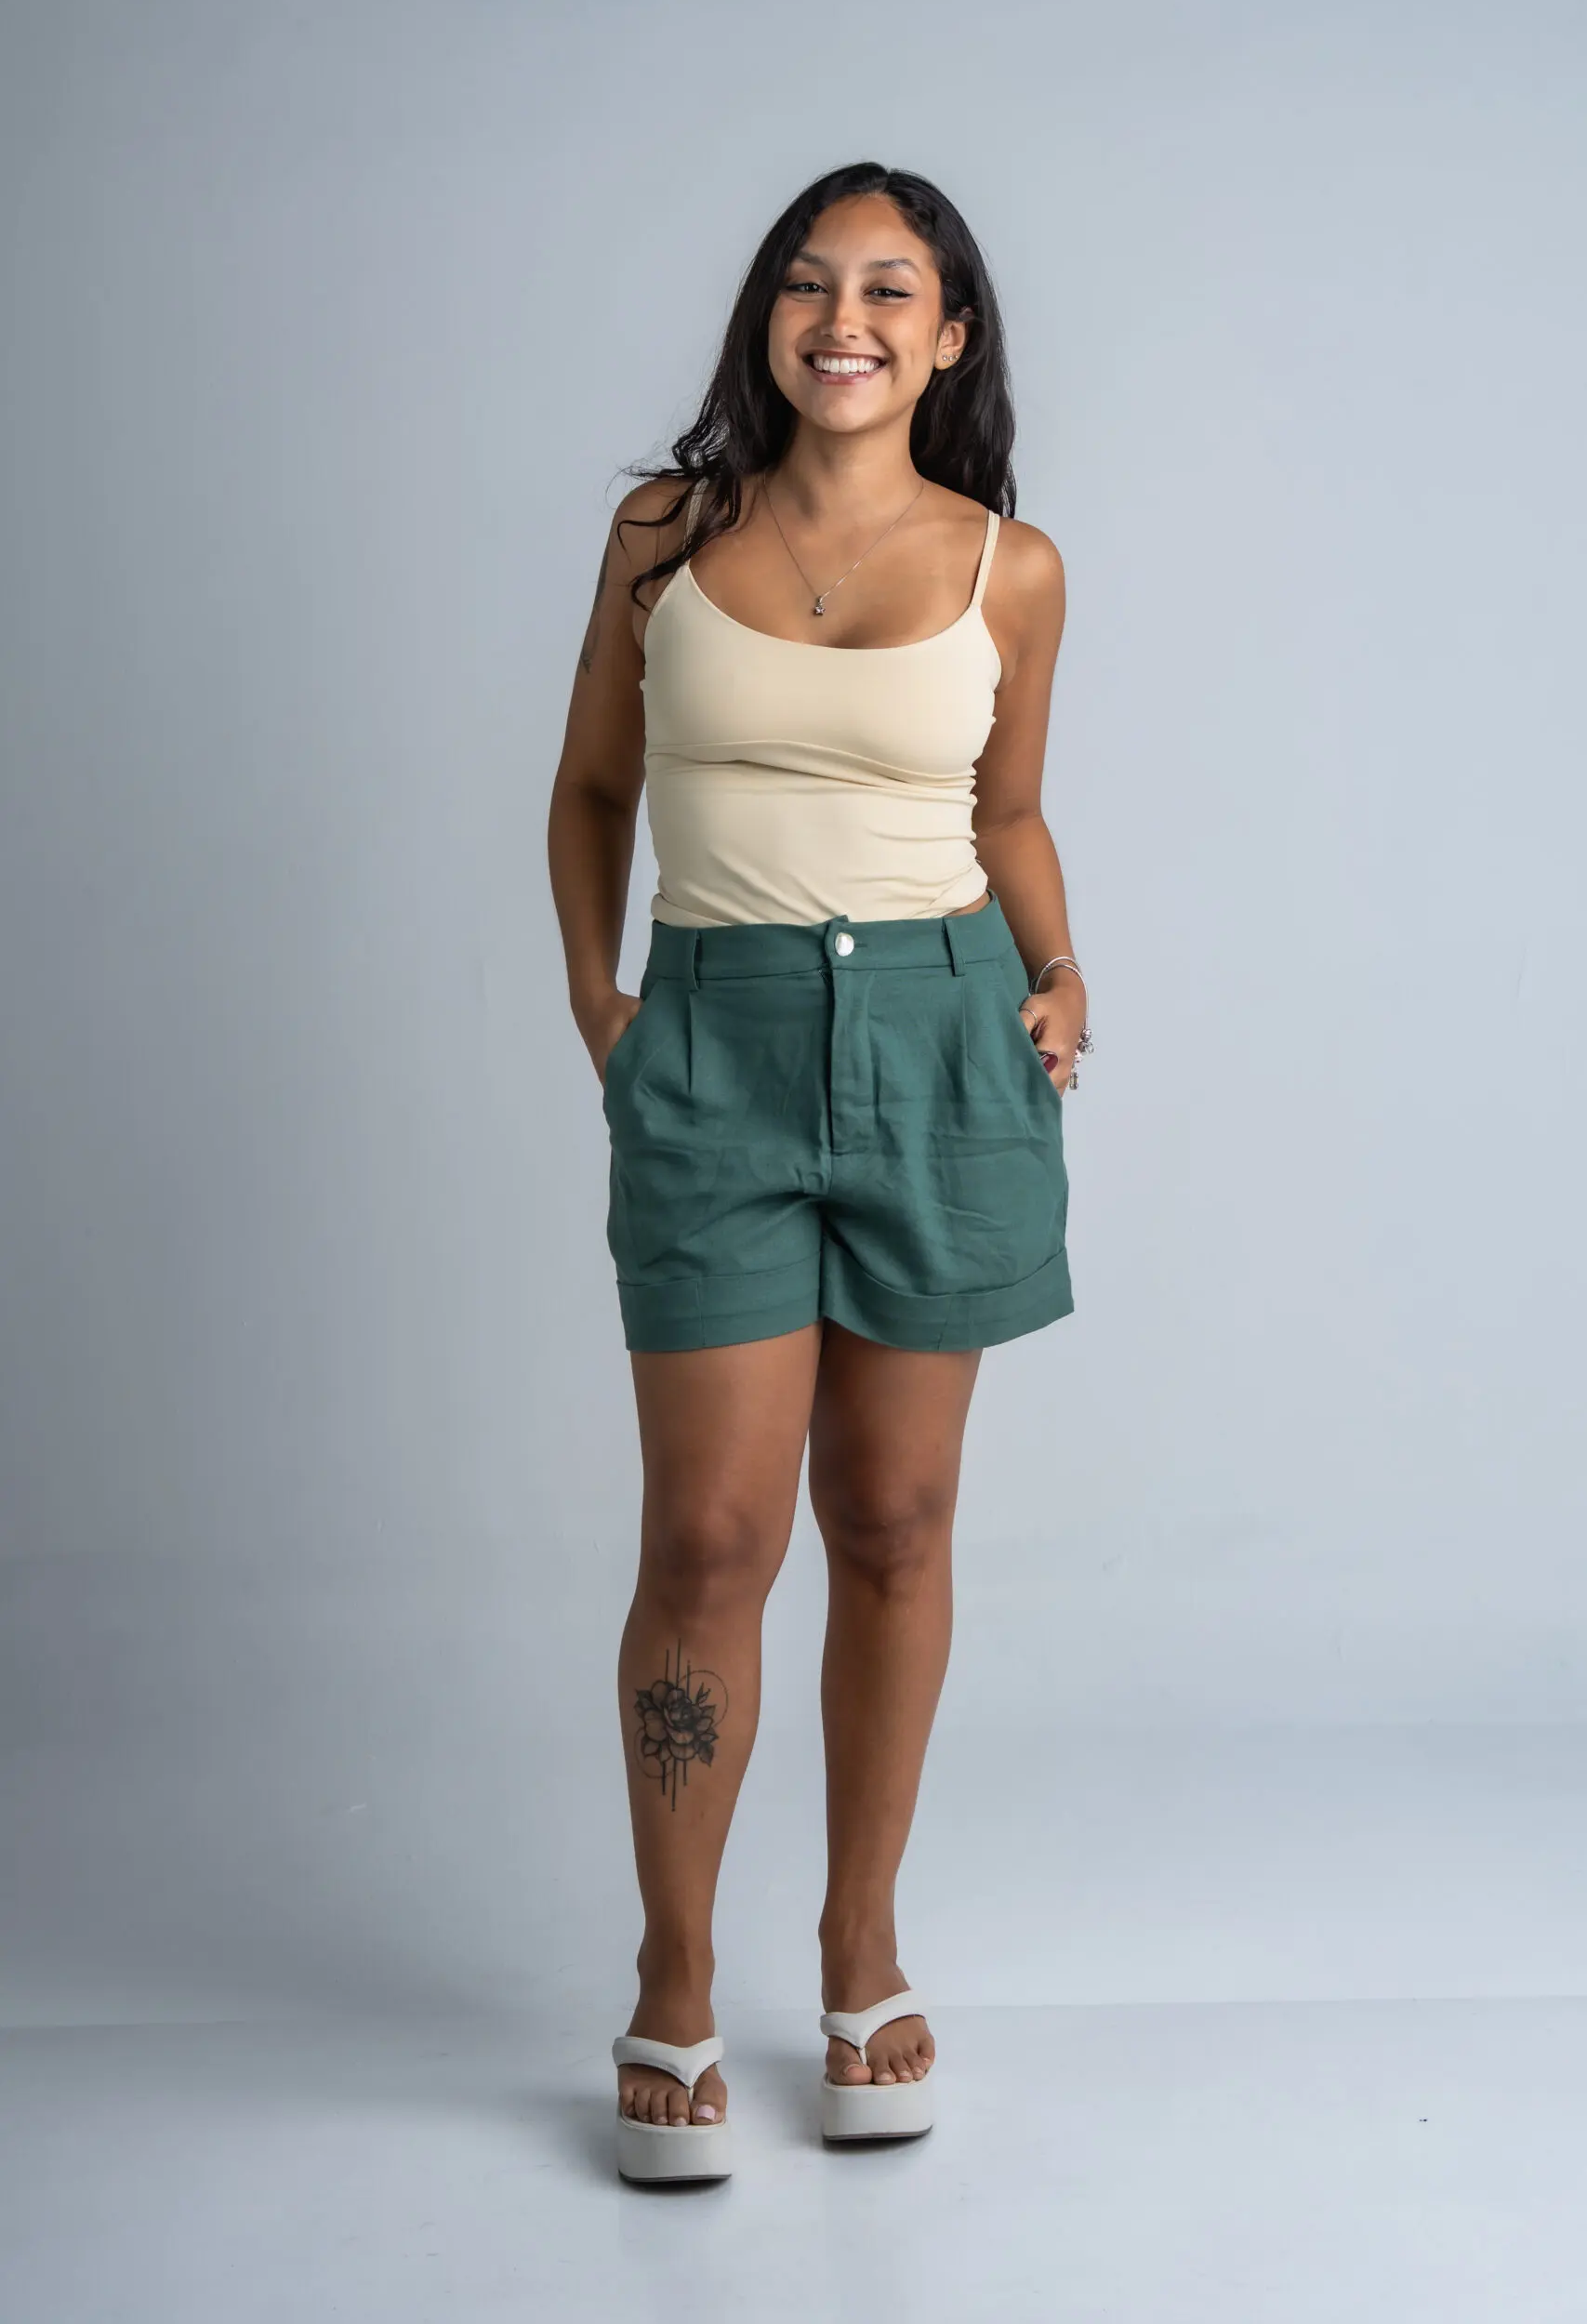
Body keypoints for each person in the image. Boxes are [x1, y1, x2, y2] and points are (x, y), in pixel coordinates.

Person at [548, 159, 1090, 2182]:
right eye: (806, 282)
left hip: (944, 1038)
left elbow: (1008, 809)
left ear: (947, 335)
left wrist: (1060, 964)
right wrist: (604, 1011)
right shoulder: (664, 534)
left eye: (885, 288)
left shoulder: (1009, 567)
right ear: (769, 320)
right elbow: (592, 785)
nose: (840, 319)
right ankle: (674, 1968)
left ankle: (860, 1948)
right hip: (719, 1041)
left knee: (894, 1514)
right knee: (707, 1539)